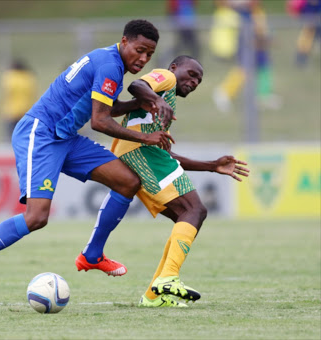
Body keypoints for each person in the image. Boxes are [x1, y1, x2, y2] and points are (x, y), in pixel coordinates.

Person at [0, 19, 175, 307]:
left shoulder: (111, 62)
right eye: (139, 50)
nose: (142, 59)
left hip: (65, 137)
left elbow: (103, 107)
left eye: (149, 55)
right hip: (40, 133)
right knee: (36, 217)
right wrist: (147, 138)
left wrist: (138, 104)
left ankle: (92, 255)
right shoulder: (109, 65)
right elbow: (100, 121)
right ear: (124, 41)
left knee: (128, 181)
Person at [78, 55, 250, 308]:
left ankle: (153, 295)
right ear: (173, 68)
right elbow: (137, 84)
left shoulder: (158, 107)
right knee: (196, 210)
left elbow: (166, 155)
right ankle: (168, 278)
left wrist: (212, 166)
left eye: (199, 81)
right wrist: (157, 98)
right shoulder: (165, 80)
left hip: (145, 155)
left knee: (187, 217)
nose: (194, 82)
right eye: (191, 74)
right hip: (141, 153)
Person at [212, 0, 282, 113]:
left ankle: (264, 95)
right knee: (245, 68)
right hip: (245, 29)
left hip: (255, 24)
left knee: (264, 65)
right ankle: (224, 92)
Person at [0, 59, 38, 141]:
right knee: (25, 135)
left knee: (11, 135)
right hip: (27, 110)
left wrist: (0, 108)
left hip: (12, 111)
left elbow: (5, 94)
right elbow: (33, 94)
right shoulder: (29, 77)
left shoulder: (9, 77)